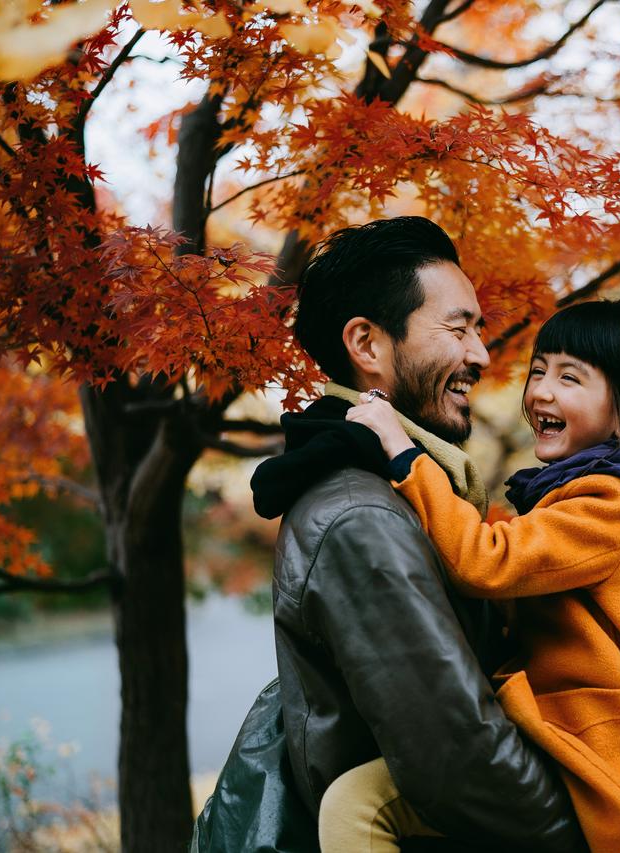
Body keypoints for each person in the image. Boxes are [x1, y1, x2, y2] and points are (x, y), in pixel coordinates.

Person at [191, 217, 584, 852]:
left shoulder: (403, 494)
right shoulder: (361, 518)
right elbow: (459, 758)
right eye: (457, 329)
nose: (480, 355)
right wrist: (588, 833)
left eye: (478, 331)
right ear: (367, 345)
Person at [332, 298, 620, 852]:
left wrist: (402, 451)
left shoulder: (613, 503)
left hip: (601, 780)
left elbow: (486, 561)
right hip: (582, 759)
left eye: (570, 377)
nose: (540, 392)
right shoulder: (600, 495)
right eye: (539, 370)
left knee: (358, 806)